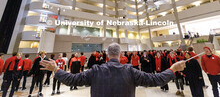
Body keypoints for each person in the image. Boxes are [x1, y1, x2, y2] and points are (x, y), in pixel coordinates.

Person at [40, 43, 186, 97]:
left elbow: (72, 79)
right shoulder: (130, 71)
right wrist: (173, 69)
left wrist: (56, 69)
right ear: (121, 55)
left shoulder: (96, 70)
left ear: (107, 55)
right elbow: (155, 80)